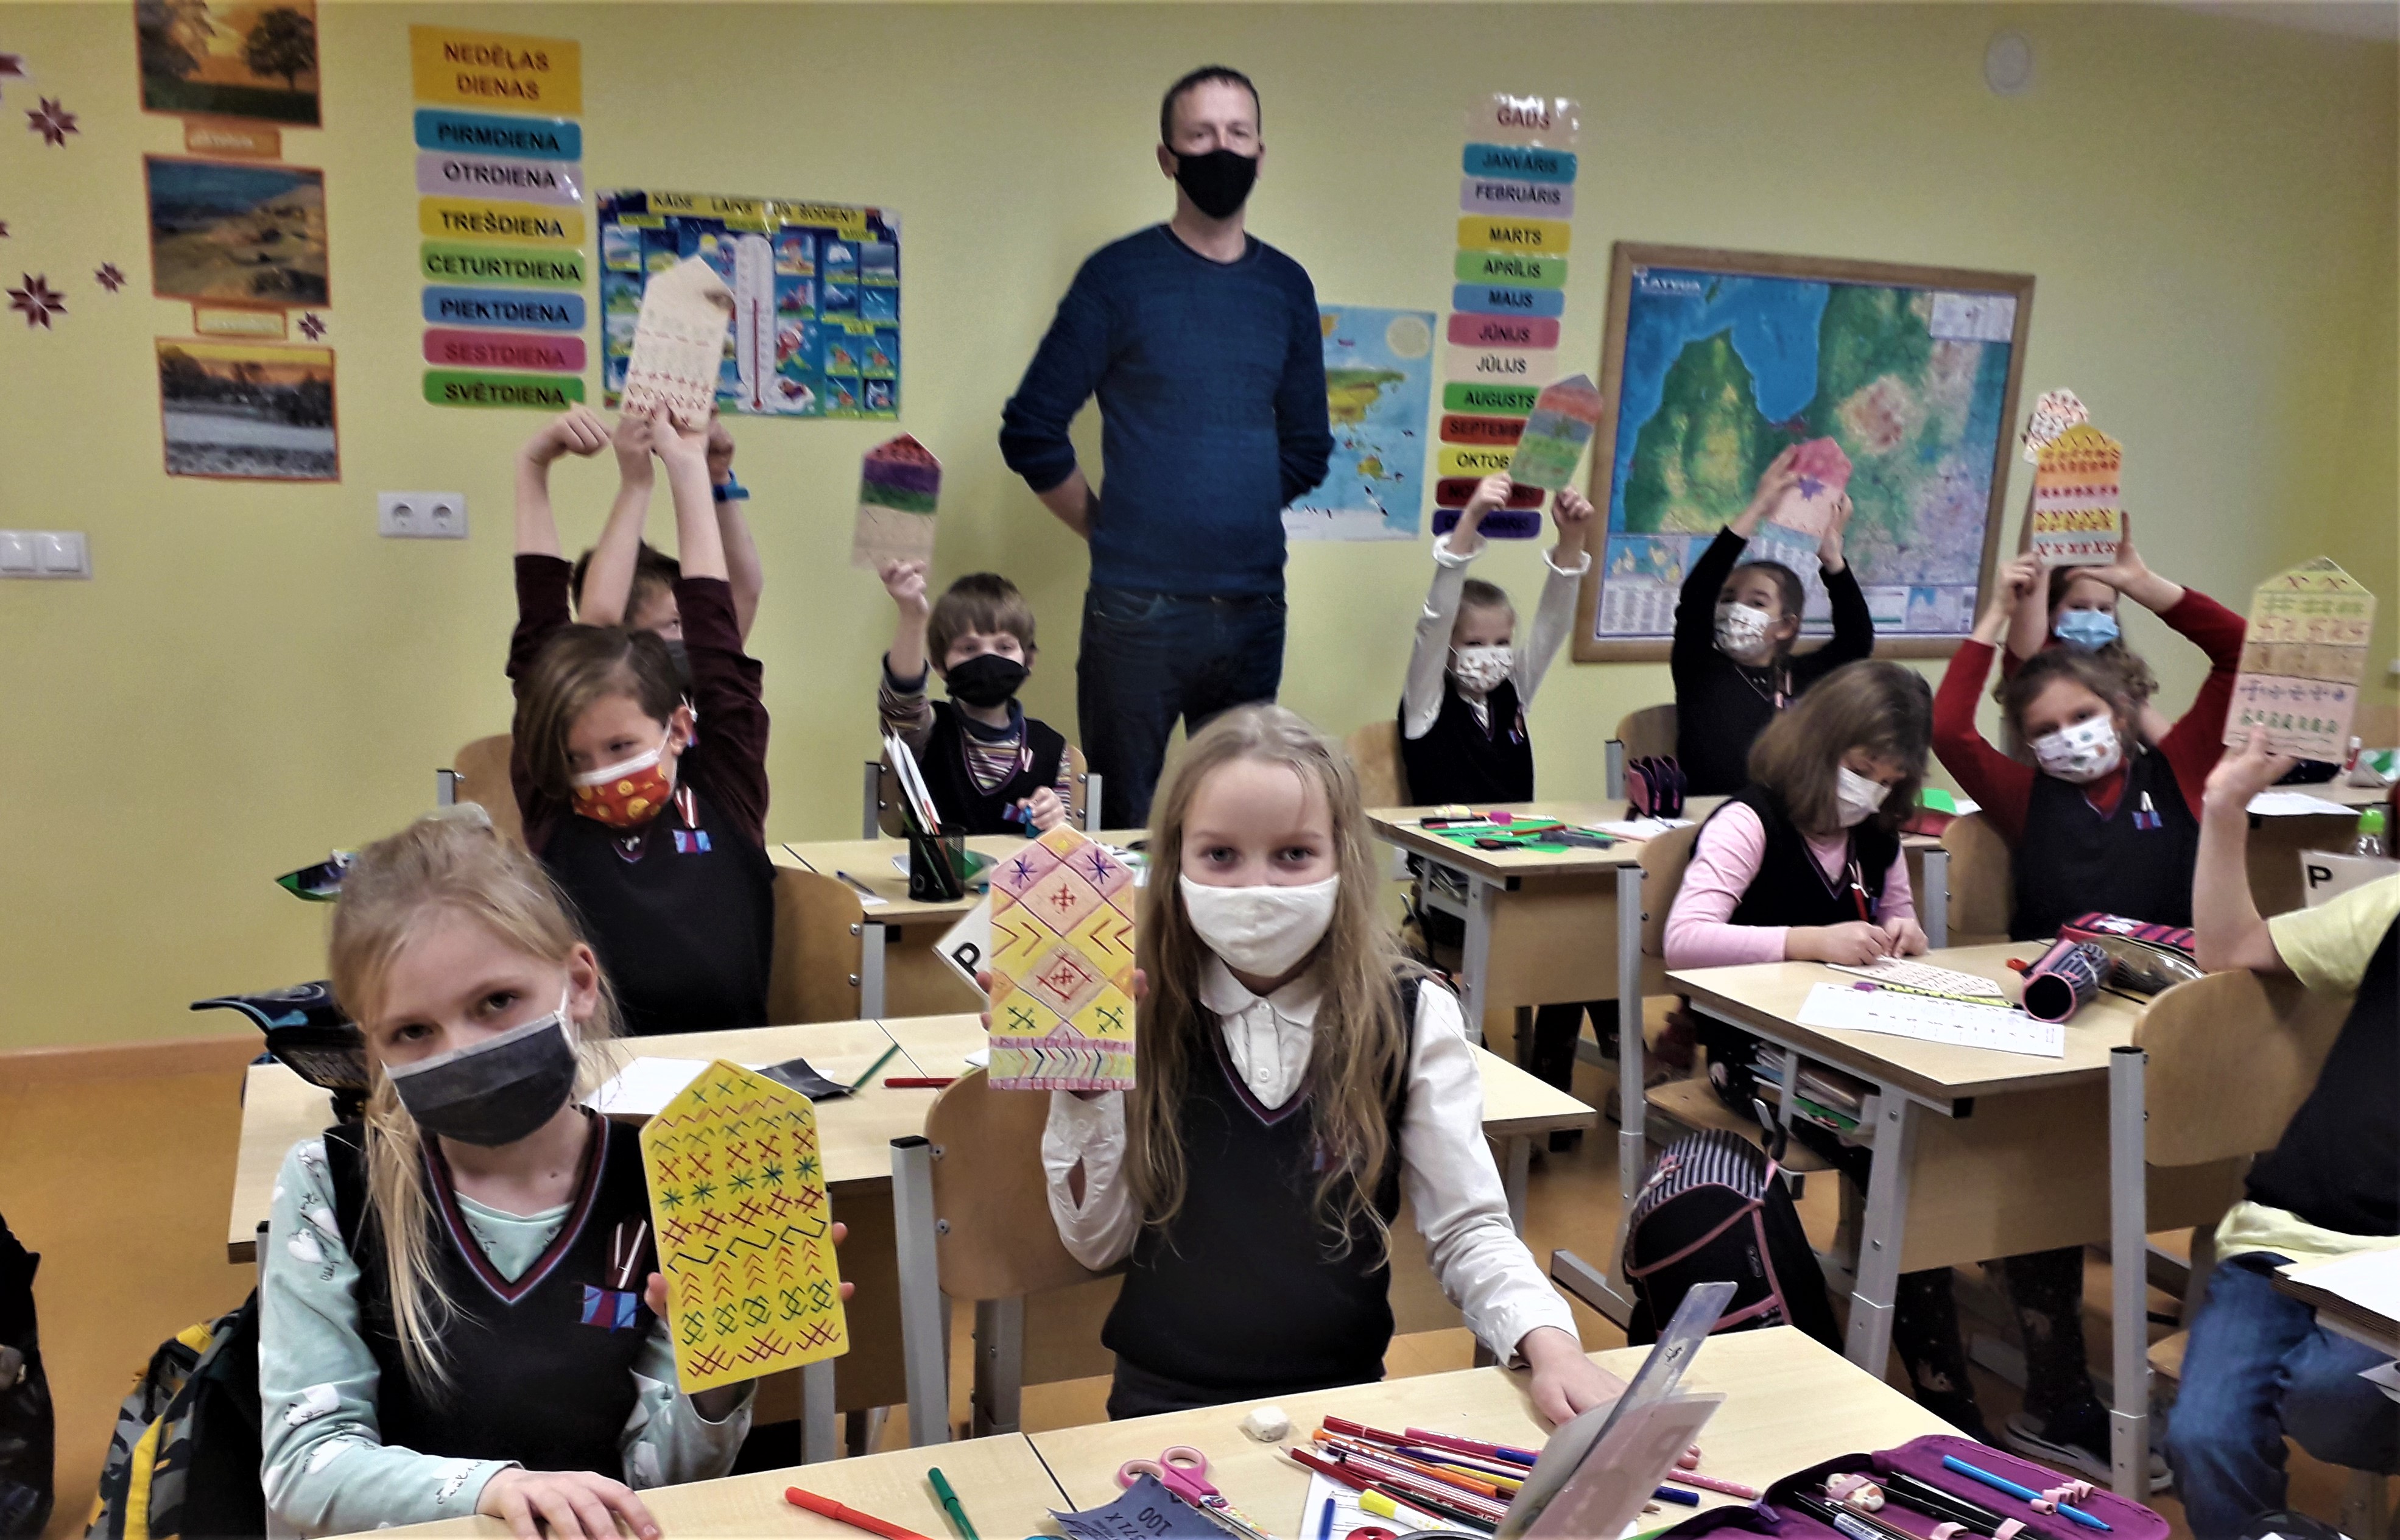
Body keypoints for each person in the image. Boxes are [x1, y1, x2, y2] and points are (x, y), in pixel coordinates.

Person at [257, 815, 846, 1539]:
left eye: (496, 1002)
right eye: (412, 1032)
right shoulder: (332, 1186)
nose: (463, 1052)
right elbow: (304, 1464)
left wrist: (722, 1367)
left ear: (579, 984)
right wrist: (496, 1490)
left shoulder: (674, 1186)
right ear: (371, 1047)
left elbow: (660, 1483)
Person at [1041, 705, 1625, 1422]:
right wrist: (1083, 1088)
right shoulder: (1133, 1005)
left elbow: (1468, 1226)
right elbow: (1095, 1243)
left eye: (1293, 855)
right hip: (1163, 1397)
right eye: (1219, 856)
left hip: (1342, 1401)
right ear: (1175, 863)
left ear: (1343, 859)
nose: (1256, 887)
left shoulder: (1407, 1013)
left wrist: (1553, 1346)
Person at [1666, 661, 2156, 1481]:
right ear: (1819, 746)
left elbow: (1897, 918)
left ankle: (2059, 1395)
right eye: (1860, 768)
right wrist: (1808, 940)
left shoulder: (1876, 832)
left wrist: (1906, 936)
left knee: (2016, 1140)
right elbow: (1684, 939)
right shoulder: (1750, 821)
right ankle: (1942, 1403)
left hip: (1861, 1042)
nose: (1870, 790)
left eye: (1888, 778)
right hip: (1756, 1055)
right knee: (1901, 1155)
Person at [999, 65, 1332, 829]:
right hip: (1135, 611)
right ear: (1166, 157)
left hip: (1253, 607)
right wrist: (1110, 527)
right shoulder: (1118, 278)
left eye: (1237, 133)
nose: (1222, 149)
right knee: (1122, 826)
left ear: (1260, 153)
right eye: (1200, 135)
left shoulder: (1285, 286)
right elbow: (1031, 429)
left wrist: (1234, 504)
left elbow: (1307, 447)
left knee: (1241, 821)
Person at [2166, 731, 2398, 1536]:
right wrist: (2224, 807)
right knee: (2203, 1437)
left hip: (2390, 1275)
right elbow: (2229, 946)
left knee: (2331, 1400)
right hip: (2281, 1237)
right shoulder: (2391, 906)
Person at [508, 409, 775, 1038]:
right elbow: (540, 641)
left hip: (725, 1067)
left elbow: (718, 634)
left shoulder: (724, 785)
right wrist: (532, 467)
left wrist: (689, 471)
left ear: (678, 730)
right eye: (577, 758)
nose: (599, 772)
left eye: (620, 746)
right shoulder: (554, 807)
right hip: (597, 1071)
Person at [1397, 474, 1599, 1111]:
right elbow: (1432, 620)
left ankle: (1549, 1090)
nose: (1491, 656)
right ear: (1448, 651)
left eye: (1500, 643)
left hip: (1519, 873)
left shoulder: (1514, 694)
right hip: (1451, 888)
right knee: (1550, 933)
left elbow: (1553, 622)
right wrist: (1467, 526)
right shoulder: (1425, 705)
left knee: (1588, 933)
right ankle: (1479, 1078)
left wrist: (1571, 540)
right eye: (1474, 644)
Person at [1934, 537, 2242, 943]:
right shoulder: (2024, 796)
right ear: (2028, 742)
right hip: (2055, 969)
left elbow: (2240, 653)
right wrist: (1997, 613)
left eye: (2083, 717)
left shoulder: (2177, 770)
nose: (2070, 736)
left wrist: (2147, 586)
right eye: (2046, 730)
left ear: (2120, 713)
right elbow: (1947, 731)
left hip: (2166, 967)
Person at [1671, 446, 1873, 796]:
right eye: (1728, 598)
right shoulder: (1700, 668)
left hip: (1789, 815)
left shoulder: (1804, 677)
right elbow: (1697, 597)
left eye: (1757, 602)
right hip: (1716, 815)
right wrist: (1756, 510)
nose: (1737, 609)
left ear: (1786, 626)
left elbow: (1857, 641)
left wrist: (1832, 560)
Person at [519, 407, 764, 654]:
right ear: (624, 636)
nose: (698, 630)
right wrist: (640, 482)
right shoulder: (592, 670)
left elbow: (745, 591)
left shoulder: (703, 667)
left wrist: (717, 476)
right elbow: (599, 623)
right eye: (674, 623)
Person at [878, 561, 1072, 835]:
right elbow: (901, 704)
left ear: (1028, 661)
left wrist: (1055, 820)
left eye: (1004, 647)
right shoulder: (927, 733)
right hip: (939, 864)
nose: (988, 658)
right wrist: (912, 616)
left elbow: (1065, 842)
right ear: (939, 665)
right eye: (969, 648)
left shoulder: (1052, 748)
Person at [1999, 512, 2169, 746]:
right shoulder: (2033, 659)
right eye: (2079, 607)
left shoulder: (2118, 672)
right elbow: (2034, 563)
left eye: (2104, 609)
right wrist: (2048, 494)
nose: (2093, 617)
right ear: (2050, 611)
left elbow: (2173, 748)